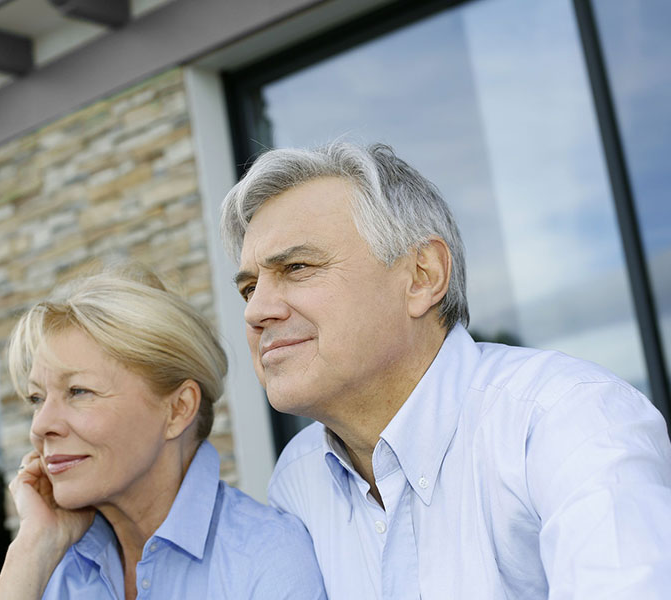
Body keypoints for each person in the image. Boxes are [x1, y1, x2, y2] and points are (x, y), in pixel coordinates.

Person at [220, 142, 671, 599]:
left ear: (422, 275)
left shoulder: (569, 420)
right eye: (250, 288)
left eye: (297, 267)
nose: (256, 311)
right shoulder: (297, 479)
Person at [0, 268, 326, 600]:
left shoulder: (268, 561)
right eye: (37, 398)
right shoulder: (52, 564)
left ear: (178, 409)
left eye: (79, 391)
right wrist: (31, 549)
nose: (40, 426)